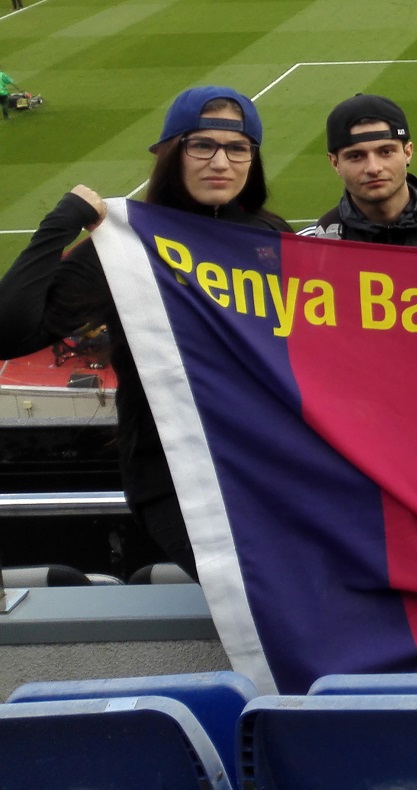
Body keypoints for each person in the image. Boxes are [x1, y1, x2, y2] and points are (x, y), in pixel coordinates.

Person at [0, 88, 288, 574]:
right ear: (171, 153)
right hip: (175, 478)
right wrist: (61, 222)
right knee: (262, 598)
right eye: (202, 145)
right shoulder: (126, 245)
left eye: (237, 148)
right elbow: (9, 333)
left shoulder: (272, 238)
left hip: (271, 471)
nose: (221, 161)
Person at [300, 94, 417, 245]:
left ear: (407, 153)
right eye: (356, 156)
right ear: (335, 163)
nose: (373, 168)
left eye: (386, 152)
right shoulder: (311, 245)